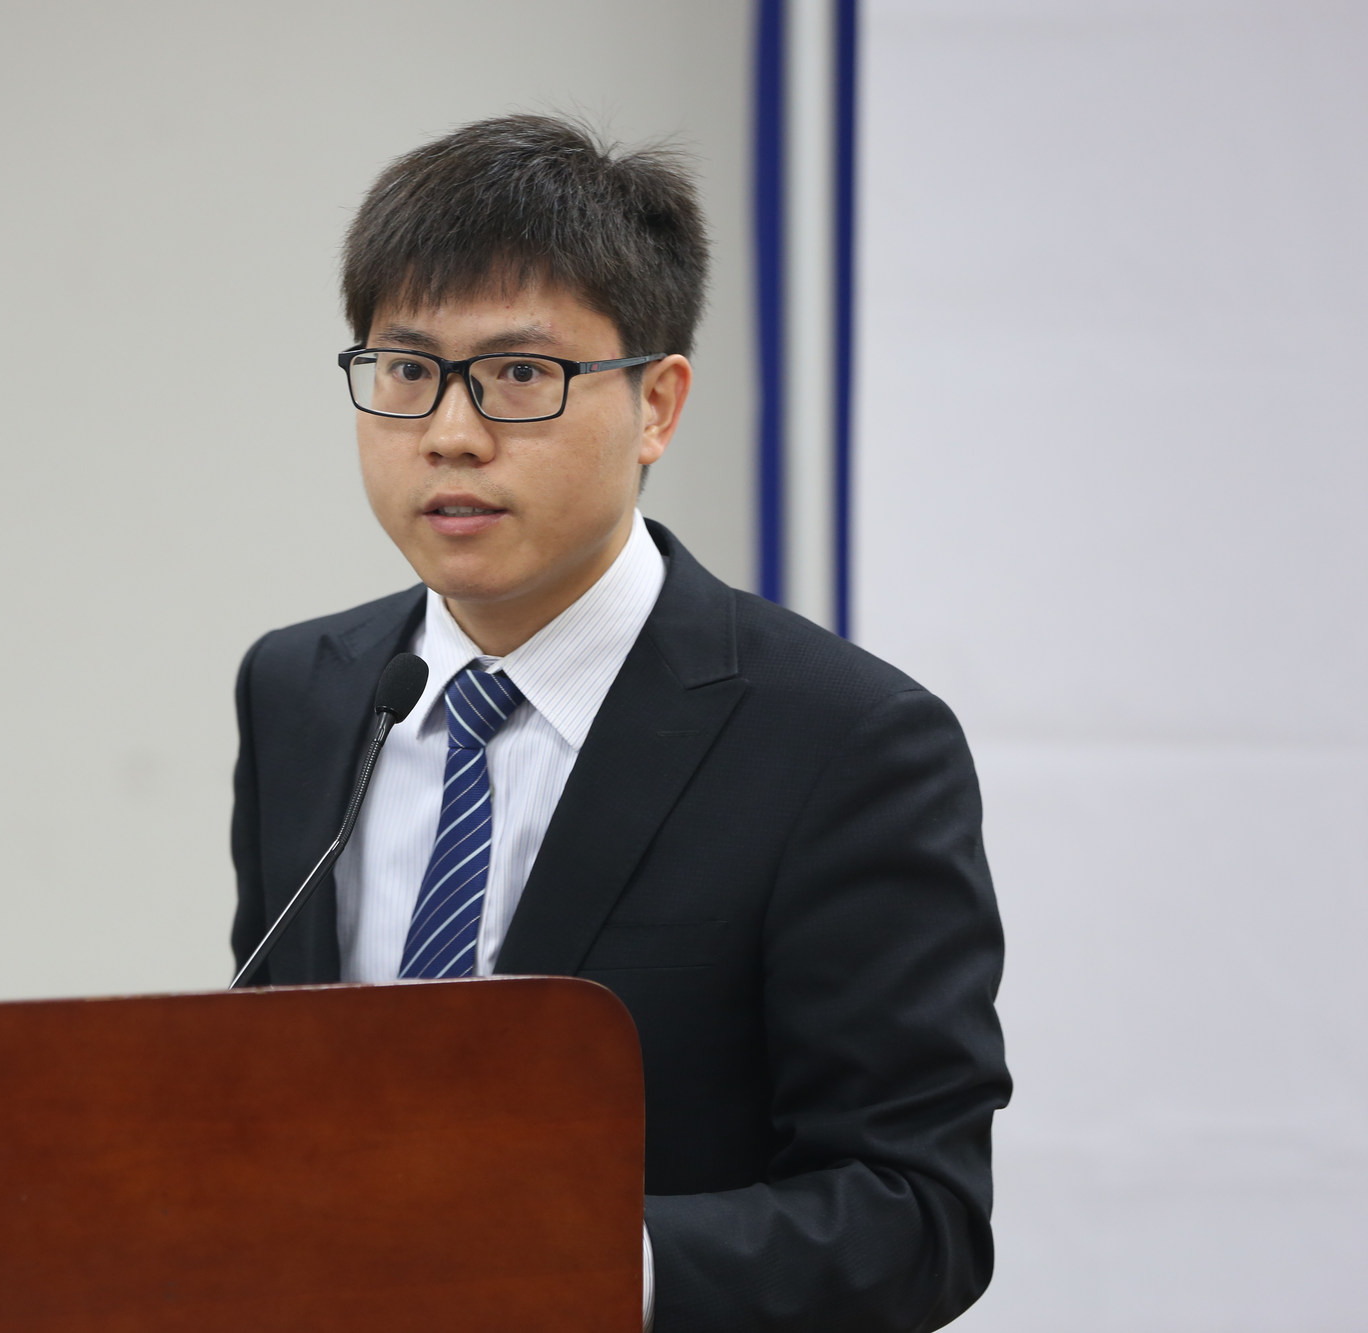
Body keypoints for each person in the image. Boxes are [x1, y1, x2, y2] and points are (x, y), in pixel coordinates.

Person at [229, 114, 1010, 1332]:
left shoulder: (846, 745)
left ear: (655, 404)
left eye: (519, 375)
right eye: (405, 370)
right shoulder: (303, 689)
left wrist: (574, 1262)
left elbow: (915, 1214)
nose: (448, 432)